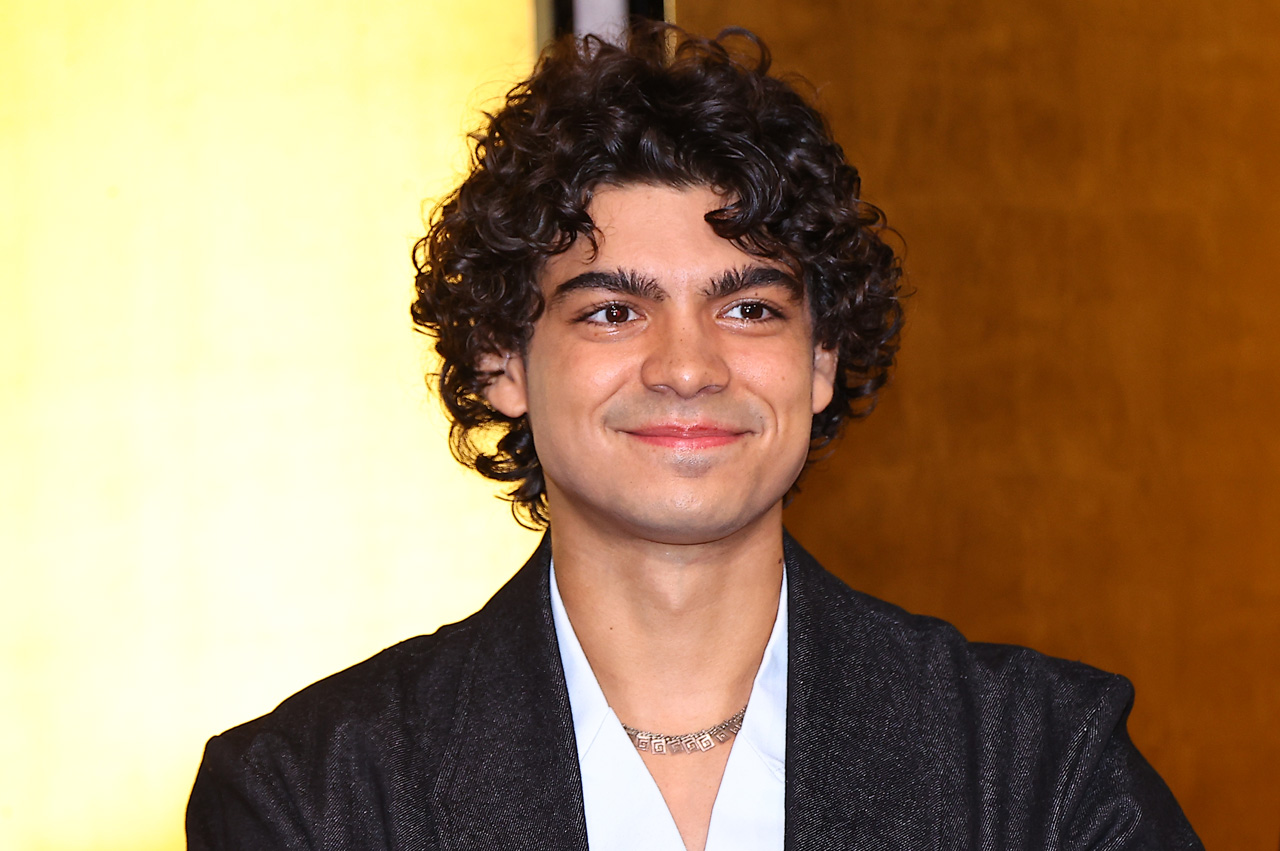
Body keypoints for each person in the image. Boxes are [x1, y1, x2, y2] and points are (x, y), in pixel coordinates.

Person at [186, 23, 1202, 851]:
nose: (686, 365)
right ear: (501, 361)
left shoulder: (1042, 768)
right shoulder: (308, 795)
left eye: (749, 309)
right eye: (612, 311)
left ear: (820, 359)